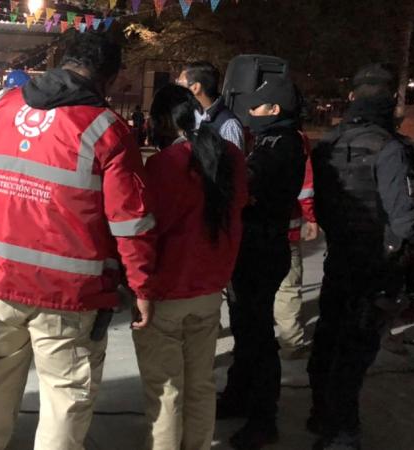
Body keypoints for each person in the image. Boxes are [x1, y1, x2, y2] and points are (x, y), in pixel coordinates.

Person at [0, 32, 157, 449]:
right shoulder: (107, 129)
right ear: (109, 77)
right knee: (65, 398)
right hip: (69, 295)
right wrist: (141, 286)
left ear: (62, 61)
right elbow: (129, 222)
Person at [310, 65, 414, 450]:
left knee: (328, 338)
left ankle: (321, 415)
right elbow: (406, 221)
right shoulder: (390, 148)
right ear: (390, 100)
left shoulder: (328, 143)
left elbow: (322, 206)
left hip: (340, 257)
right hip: (376, 265)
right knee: (354, 351)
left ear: (352, 97)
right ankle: (341, 435)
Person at [137, 84, 248, 450]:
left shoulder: (164, 165)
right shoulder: (231, 156)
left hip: (167, 292)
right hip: (210, 289)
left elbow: (148, 229)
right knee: (200, 383)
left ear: (162, 121)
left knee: (166, 388)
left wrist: (137, 283)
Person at [217, 77, 306, 449]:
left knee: (258, 336)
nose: (250, 112)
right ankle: (238, 395)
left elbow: (245, 184)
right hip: (255, 246)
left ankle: (263, 418)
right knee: (245, 329)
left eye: (257, 106)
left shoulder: (280, 144)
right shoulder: (272, 140)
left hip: (262, 248)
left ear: (275, 109)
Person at [274, 135, 318, 360]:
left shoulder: (244, 129)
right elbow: (306, 184)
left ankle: (254, 340)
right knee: (288, 287)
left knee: (255, 288)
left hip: (252, 229)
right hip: (286, 228)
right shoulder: (295, 138)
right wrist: (311, 218)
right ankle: (291, 344)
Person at [176, 61, 244, 151]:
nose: (176, 90)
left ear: (195, 88)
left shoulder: (228, 125)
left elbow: (234, 159)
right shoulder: (188, 117)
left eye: (180, 84)